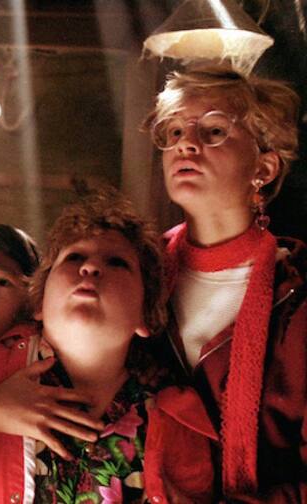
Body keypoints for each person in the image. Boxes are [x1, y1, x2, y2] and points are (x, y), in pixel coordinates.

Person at [0, 190, 170, 503]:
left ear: (145, 315)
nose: (90, 267)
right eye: (74, 257)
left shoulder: (173, 412)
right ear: (39, 303)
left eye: (117, 262)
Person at [143, 65, 305, 500]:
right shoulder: (137, 275)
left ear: (263, 168)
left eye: (214, 131)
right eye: (174, 132)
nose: (186, 144)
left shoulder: (298, 301)